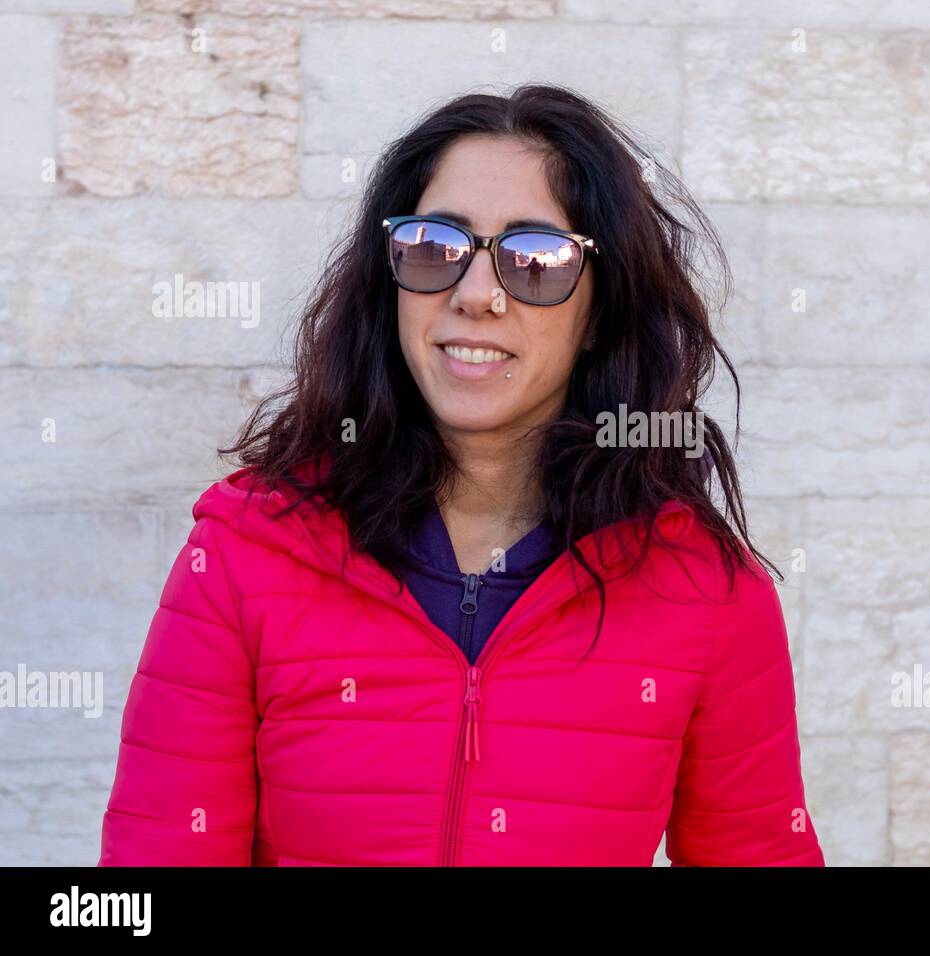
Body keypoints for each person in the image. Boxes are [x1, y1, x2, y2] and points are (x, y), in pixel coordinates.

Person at [97, 84, 825, 867]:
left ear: (599, 316)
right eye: (434, 247)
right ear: (391, 280)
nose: (476, 295)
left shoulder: (708, 596)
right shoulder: (242, 559)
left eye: (536, 259)